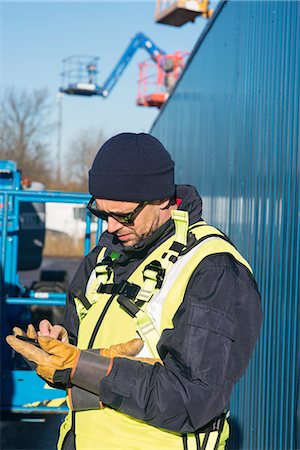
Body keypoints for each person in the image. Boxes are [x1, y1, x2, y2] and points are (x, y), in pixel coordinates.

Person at [7, 132, 262, 450]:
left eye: (124, 215)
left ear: (162, 201)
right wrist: (58, 348)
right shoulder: (103, 258)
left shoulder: (211, 268)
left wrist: (82, 366)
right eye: (101, 213)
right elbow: (79, 352)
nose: (110, 227)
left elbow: (192, 399)